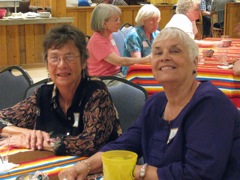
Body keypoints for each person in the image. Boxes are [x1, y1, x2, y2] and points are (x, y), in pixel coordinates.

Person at [58, 27, 240, 179]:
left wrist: (137, 171)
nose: (164, 57)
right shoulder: (156, 104)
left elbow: (198, 174)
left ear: (195, 63)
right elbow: (124, 145)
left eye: (175, 51)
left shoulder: (210, 105)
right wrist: (85, 166)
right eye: (158, 52)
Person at [0, 24, 122, 156]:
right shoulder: (43, 95)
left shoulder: (96, 93)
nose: (62, 65)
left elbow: (89, 143)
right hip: (50, 169)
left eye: (69, 57)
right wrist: (28, 133)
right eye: (54, 58)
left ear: (83, 62)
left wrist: (41, 142)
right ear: (47, 64)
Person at [87, 4, 150, 82]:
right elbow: (119, 61)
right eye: (116, 20)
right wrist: (146, 59)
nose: (119, 23)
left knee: (143, 81)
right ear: (104, 23)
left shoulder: (109, 35)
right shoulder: (97, 41)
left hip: (115, 76)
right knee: (138, 88)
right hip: (103, 80)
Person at [121, 4, 160, 75]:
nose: (156, 24)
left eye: (157, 20)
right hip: (133, 73)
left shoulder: (157, 34)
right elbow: (136, 62)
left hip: (152, 68)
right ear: (143, 20)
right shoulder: (134, 36)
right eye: (152, 20)